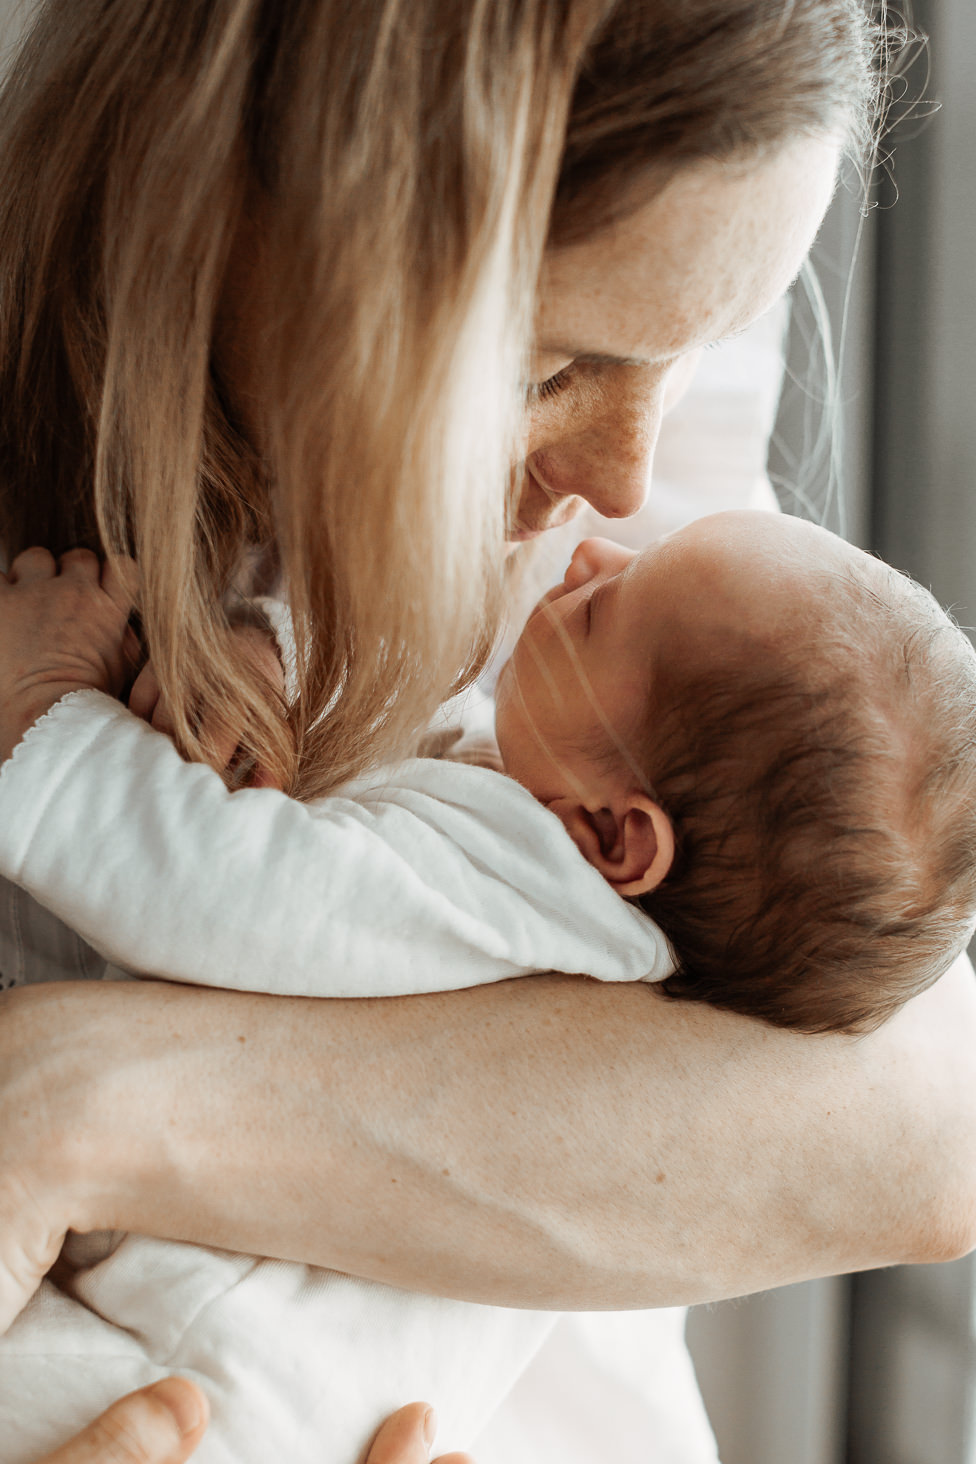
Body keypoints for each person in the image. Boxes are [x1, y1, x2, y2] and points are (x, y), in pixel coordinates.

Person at [1, 0, 976, 1457]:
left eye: (702, 344)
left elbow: (924, 1127)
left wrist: (71, 1098)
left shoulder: (626, 745)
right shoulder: (586, 728)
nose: (623, 494)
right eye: (547, 368)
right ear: (255, 218)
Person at [2, 504, 976, 1459]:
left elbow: (216, 892)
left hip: (179, 1382)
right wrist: (273, 661)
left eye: (610, 604)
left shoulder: (519, 881)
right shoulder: (583, 873)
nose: (594, 547)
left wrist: (42, 706)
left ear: (614, 834)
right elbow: (413, 724)